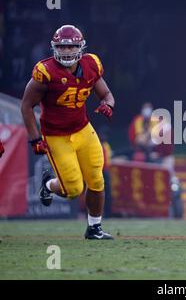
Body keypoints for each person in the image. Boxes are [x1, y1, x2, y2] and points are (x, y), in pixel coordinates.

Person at [20, 25, 115, 239]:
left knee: (97, 180)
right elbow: (26, 106)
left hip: (83, 130)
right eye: (62, 47)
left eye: (71, 46)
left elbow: (106, 94)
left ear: (80, 47)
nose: (67, 51)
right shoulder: (46, 71)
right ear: (54, 48)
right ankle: (48, 184)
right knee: (73, 190)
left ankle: (94, 228)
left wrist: (108, 104)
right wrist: (35, 138)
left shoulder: (91, 64)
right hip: (56, 135)